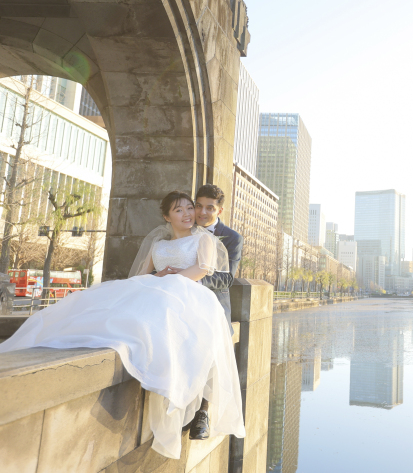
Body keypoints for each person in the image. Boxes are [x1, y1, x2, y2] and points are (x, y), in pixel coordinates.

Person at [0, 191, 246, 459]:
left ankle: (194, 408)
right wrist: (157, 276)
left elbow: (202, 270)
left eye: (190, 208)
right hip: (160, 290)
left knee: (166, 321)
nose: (189, 214)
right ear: (166, 216)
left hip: (190, 295)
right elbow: (140, 276)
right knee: (114, 310)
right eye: (181, 210)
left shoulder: (205, 240)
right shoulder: (158, 245)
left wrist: (168, 281)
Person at [188, 184, 243, 440]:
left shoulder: (231, 238)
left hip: (212, 306)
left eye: (209, 207)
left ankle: (203, 412)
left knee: (210, 346)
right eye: (198, 205)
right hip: (181, 301)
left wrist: (193, 280)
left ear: (219, 209)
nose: (202, 212)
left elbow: (226, 278)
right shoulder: (183, 228)